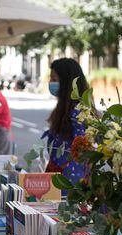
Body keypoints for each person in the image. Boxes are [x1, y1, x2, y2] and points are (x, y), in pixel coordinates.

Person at [43, 58, 89, 190]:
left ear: (67, 82)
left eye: (54, 79)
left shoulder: (78, 113)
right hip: (58, 177)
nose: (50, 83)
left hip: (70, 181)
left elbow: (82, 151)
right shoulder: (63, 109)